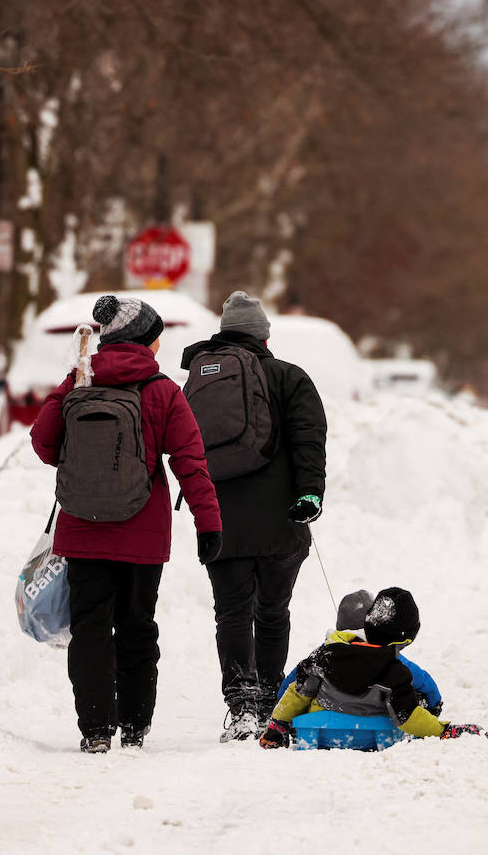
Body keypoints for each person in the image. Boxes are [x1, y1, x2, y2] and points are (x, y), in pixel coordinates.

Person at [31, 294, 222, 753]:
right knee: (137, 626)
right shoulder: (161, 391)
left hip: (82, 529)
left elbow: (42, 444)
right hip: (142, 531)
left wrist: (69, 387)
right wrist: (208, 523)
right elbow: (190, 462)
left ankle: (96, 730)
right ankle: (134, 727)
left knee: (90, 629)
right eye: (157, 338)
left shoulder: (80, 380)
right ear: (143, 340)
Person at [180, 291, 327, 741]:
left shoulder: (200, 379)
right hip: (281, 516)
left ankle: (241, 705)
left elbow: (185, 447)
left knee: (231, 612)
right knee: (272, 610)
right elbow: (309, 439)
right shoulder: (289, 377)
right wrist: (310, 494)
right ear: (264, 334)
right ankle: (267, 700)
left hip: (220, 515)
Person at [259, 587, 488, 748]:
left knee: (305, 688)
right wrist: (441, 728)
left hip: (323, 730)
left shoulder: (324, 656)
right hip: (372, 734)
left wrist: (277, 722)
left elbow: (295, 689)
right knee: (407, 701)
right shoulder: (395, 668)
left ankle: (281, 727)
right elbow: (407, 715)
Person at [276, 589, 443, 715]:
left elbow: (294, 679)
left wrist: (280, 704)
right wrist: (434, 703)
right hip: (373, 716)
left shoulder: (324, 653)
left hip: (327, 715)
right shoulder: (385, 655)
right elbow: (421, 679)